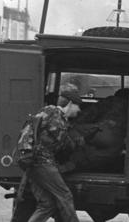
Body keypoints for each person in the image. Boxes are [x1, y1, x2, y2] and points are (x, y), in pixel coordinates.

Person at [22, 89, 83, 222]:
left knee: (47, 204)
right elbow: (62, 142)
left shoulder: (46, 111)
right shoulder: (56, 115)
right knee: (65, 196)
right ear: (71, 103)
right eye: (78, 106)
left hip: (32, 162)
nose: (79, 111)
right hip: (43, 162)